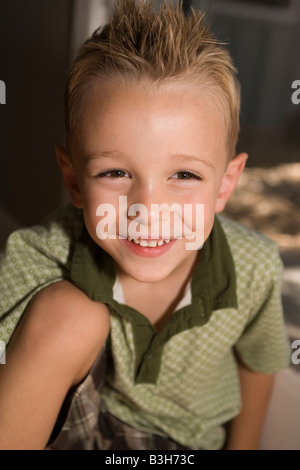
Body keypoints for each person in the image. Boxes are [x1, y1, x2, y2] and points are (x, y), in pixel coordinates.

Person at [0, 0, 290, 450]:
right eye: (115, 173)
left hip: (185, 444)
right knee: (68, 315)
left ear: (224, 184)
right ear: (74, 181)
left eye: (184, 175)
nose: (149, 209)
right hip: (79, 420)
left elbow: (259, 364)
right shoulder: (42, 252)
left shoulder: (253, 267)